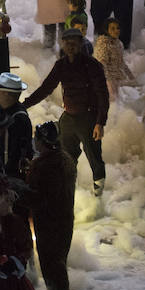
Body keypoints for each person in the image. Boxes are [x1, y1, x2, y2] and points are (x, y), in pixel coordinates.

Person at [23, 25, 110, 195]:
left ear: (80, 43)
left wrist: (100, 122)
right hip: (69, 117)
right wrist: (24, 104)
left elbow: (103, 96)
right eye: (67, 42)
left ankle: (98, 193)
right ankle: (67, 191)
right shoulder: (61, 65)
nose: (71, 46)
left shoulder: (92, 65)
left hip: (88, 117)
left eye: (74, 42)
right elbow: (46, 88)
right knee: (66, 158)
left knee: (94, 157)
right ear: (62, 44)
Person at [26, 119, 77, 290]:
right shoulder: (65, 160)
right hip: (64, 221)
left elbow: (41, 198)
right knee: (59, 265)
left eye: (36, 138)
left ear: (43, 142)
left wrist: (20, 191)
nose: (34, 142)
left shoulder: (46, 166)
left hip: (49, 224)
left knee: (51, 267)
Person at [92, 16, 135, 100]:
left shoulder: (119, 43)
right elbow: (101, 64)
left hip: (115, 79)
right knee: (111, 101)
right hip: (106, 80)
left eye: (118, 28)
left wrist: (131, 77)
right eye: (112, 28)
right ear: (106, 30)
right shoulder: (103, 44)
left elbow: (121, 62)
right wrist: (108, 81)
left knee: (116, 101)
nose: (116, 30)